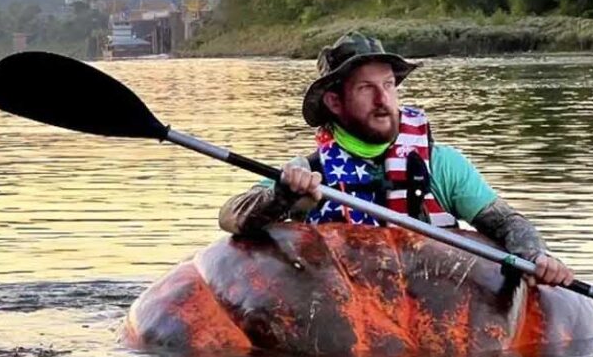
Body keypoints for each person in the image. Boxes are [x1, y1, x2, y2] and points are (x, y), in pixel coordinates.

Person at [218, 31, 573, 287]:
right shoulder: (307, 173)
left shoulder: (442, 164)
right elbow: (232, 216)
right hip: (344, 320)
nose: (383, 100)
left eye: (388, 85)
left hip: (434, 310)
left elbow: (508, 223)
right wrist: (283, 196)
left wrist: (534, 256)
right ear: (335, 103)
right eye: (365, 88)